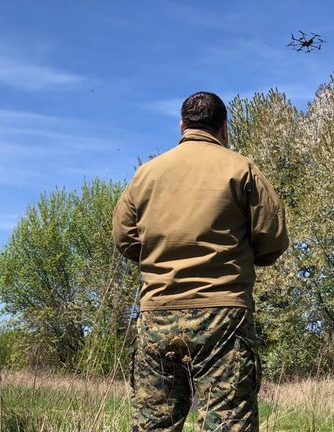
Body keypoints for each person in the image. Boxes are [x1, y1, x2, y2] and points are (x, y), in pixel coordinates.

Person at [112, 91, 289, 432]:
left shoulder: (146, 174)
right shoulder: (241, 169)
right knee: (227, 426)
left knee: (154, 426)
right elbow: (273, 239)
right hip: (223, 317)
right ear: (224, 128)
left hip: (157, 316)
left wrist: (159, 260)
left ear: (182, 126)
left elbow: (124, 238)